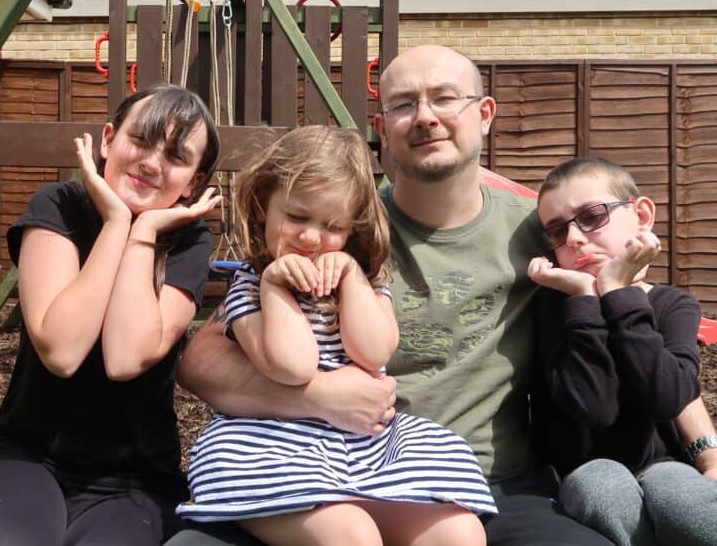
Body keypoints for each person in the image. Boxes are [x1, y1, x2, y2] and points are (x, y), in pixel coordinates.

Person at [166, 45, 616, 546]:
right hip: (299, 466)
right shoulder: (349, 221)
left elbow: (617, 280)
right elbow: (200, 358)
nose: (425, 117)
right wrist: (320, 398)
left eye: (445, 98)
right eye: (404, 104)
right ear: (383, 127)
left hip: (479, 480)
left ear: (485, 114)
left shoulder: (538, 232)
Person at [177, 125, 494, 546]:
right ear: (261, 210)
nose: (310, 238)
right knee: (352, 535)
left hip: (362, 449)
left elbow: (374, 351)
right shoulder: (251, 289)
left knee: (460, 533)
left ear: (351, 232)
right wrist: (274, 288)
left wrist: (350, 279)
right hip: (271, 451)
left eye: (331, 225)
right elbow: (294, 367)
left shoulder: (365, 282)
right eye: (296, 216)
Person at [0, 84, 222, 546]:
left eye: (176, 157)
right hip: (29, 458)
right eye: (140, 140)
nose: (152, 163)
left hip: (135, 480)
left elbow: (125, 358)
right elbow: (63, 350)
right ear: (108, 139)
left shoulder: (188, 242)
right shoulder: (58, 206)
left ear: (193, 183)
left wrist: (143, 234)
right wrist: (118, 224)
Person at [528, 156, 717, 546]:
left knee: (684, 496)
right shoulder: (552, 309)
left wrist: (618, 293)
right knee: (604, 488)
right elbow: (596, 407)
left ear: (642, 215)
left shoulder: (674, 306)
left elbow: (668, 397)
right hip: (580, 471)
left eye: (592, 217)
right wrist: (584, 298)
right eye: (558, 232)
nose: (575, 239)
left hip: (662, 464)